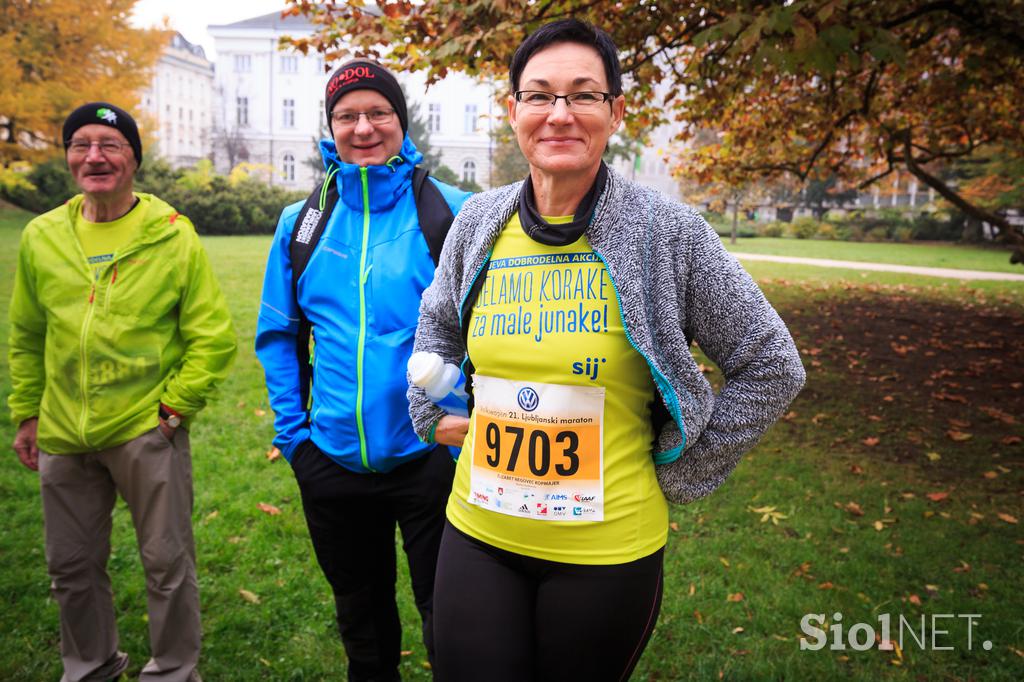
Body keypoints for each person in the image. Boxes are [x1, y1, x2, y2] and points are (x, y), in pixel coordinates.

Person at [408, 19, 807, 681]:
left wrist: (686, 468)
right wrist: (430, 414)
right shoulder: (479, 221)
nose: (558, 114)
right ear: (514, 113)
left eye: (583, 95)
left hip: (606, 551)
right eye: (539, 96)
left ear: (615, 112)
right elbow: (438, 325)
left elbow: (771, 362)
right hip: (478, 535)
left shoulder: (669, 232)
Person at [254, 61, 471, 681]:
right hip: (331, 463)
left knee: (450, 617)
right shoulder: (301, 225)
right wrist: (296, 442)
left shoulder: (452, 213)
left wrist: (458, 435)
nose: (363, 127)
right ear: (330, 127)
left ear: (401, 122)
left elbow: (487, 333)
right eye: (347, 115)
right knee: (363, 626)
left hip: (435, 458)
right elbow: (279, 337)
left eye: (379, 112)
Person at [8, 102, 237, 682]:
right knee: (71, 566)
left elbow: (212, 336)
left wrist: (173, 408)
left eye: (109, 145)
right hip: (63, 430)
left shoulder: (171, 236)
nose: (95, 157)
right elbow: (28, 334)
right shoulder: (42, 237)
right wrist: (27, 415)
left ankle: (174, 671)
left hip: (144, 429)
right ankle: (90, 667)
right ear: (68, 157)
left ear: (133, 157)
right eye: (81, 144)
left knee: (166, 563)